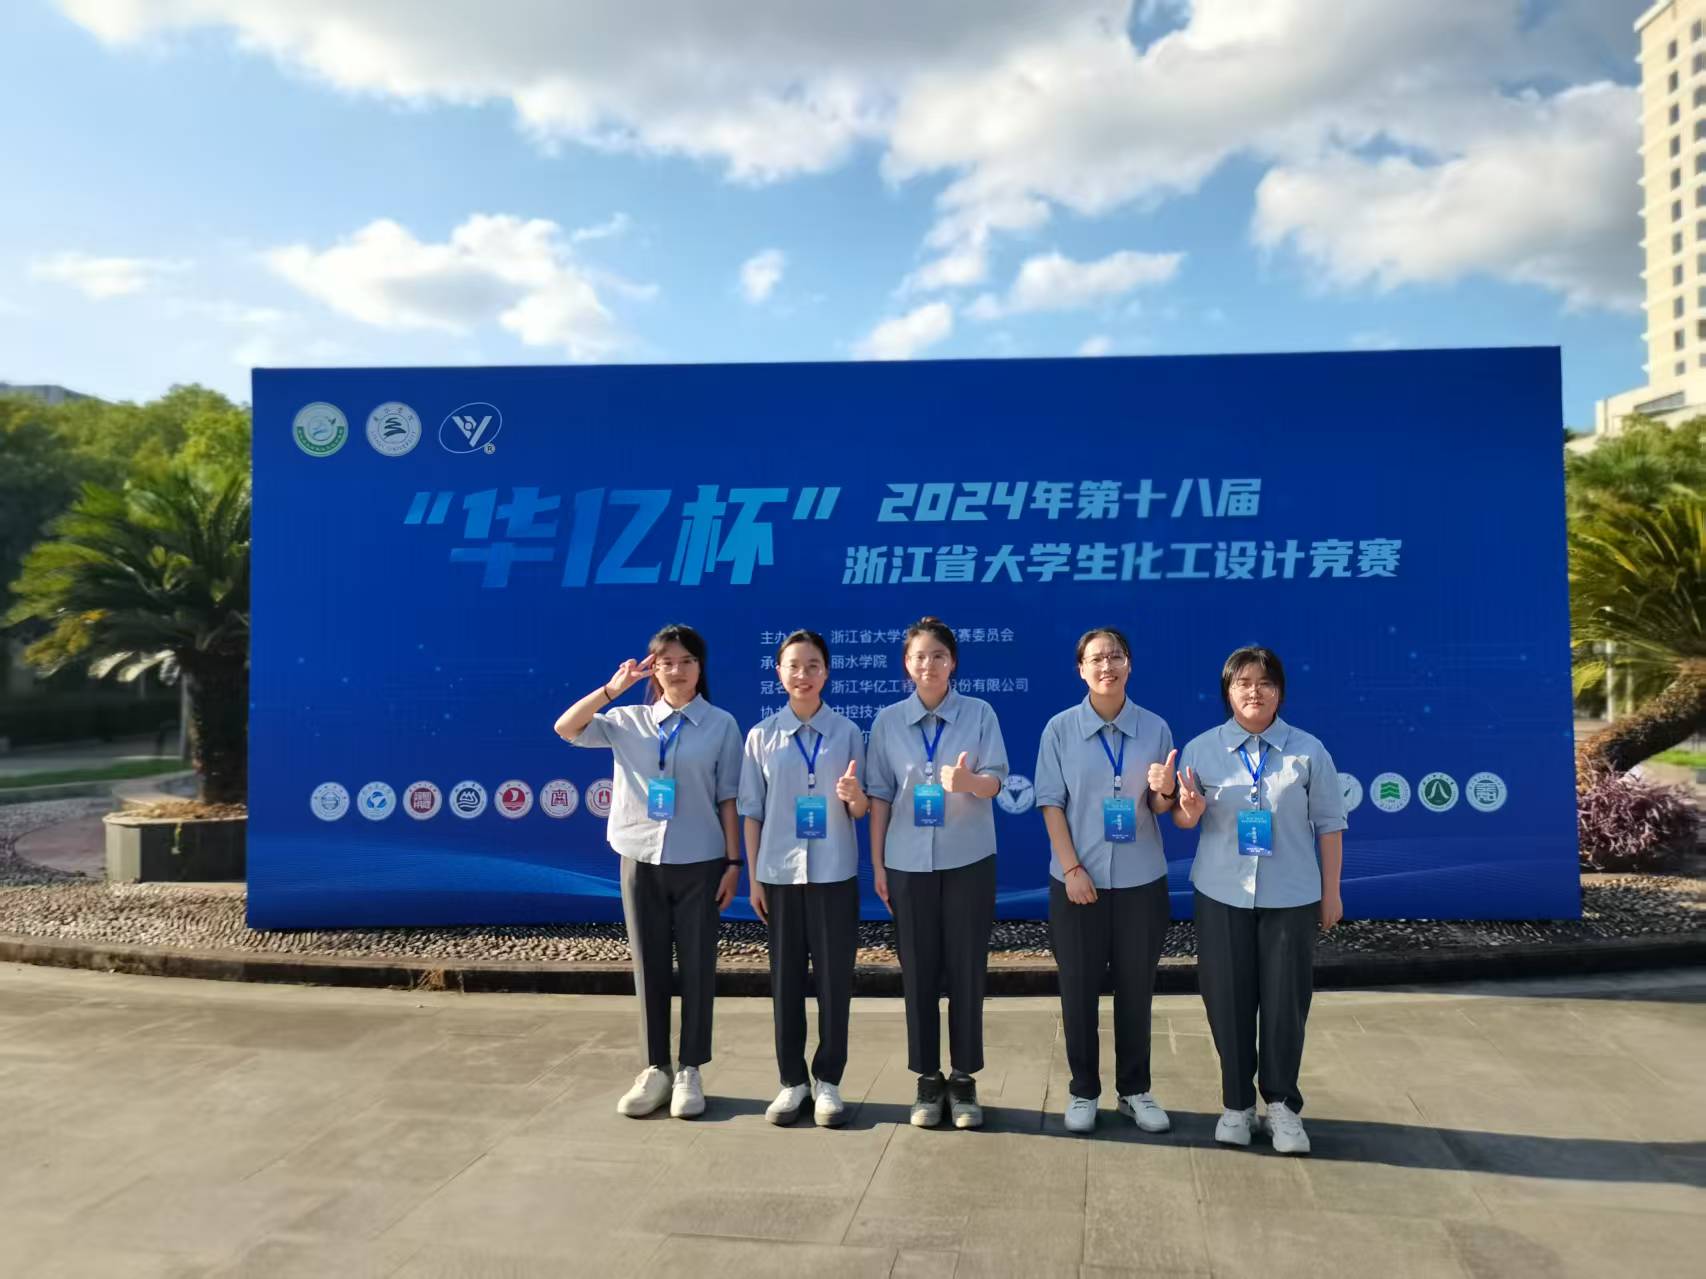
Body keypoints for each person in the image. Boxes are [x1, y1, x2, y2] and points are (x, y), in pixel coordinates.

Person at [552, 624, 743, 1120]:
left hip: (700, 861)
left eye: (686, 661)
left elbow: (728, 797)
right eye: (665, 662)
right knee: (649, 966)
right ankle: (656, 1068)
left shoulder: (721, 724)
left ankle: (690, 1069)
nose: (676, 671)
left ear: (700, 667)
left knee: (698, 967)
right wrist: (612, 689)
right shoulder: (627, 720)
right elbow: (566, 728)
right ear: (651, 670)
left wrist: (733, 862)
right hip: (639, 858)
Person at [1172, 645, 1346, 1156]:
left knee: (1286, 1002)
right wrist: (1188, 810)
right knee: (1226, 1000)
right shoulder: (1202, 749)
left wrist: (1331, 891)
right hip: (1221, 892)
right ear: (1228, 692)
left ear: (1280, 693)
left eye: (1265, 683)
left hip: (1291, 894)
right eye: (1243, 683)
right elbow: (1182, 819)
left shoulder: (1308, 751)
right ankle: (1236, 1105)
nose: (1254, 692)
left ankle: (1282, 1106)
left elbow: (1330, 825)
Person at [1033, 626, 1178, 1135]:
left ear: (1129, 664)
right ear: (1081, 670)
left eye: (1115, 656)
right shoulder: (1059, 730)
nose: (1106, 666)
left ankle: (1135, 1090)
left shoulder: (1155, 728)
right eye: (1096, 659)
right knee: (1078, 990)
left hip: (1141, 880)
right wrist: (1071, 868)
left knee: (1137, 989)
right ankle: (1083, 1090)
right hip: (1078, 882)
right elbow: (1051, 803)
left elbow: (1159, 806)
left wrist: (1165, 791)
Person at [867, 617, 1009, 1130]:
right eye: (919, 657)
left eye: (938, 656)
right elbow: (880, 796)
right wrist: (878, 864)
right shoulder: (888, 721)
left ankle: (964, 1078)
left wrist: (971, 781)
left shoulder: (979, 713)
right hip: (907, 863)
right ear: (906, 665)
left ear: (953, 663)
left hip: (968, 859)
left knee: (968, 970)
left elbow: (998, 782)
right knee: (919, 972)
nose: (928, 664)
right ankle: (927, 1078)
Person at [739, 629, 869, 1127]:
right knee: (786, 981)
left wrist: (854, 796)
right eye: (793, 666)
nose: (803, 675)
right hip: (779, 875)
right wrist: (755, 878)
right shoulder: (761, 736)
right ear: (779, 673)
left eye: (813, 665)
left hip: (834, 873)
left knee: (835, 981)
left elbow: (860, 809)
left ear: (826, 672)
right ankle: (791, 1081)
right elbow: (752, 812)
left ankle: (828, 1080)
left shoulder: (848, 733)